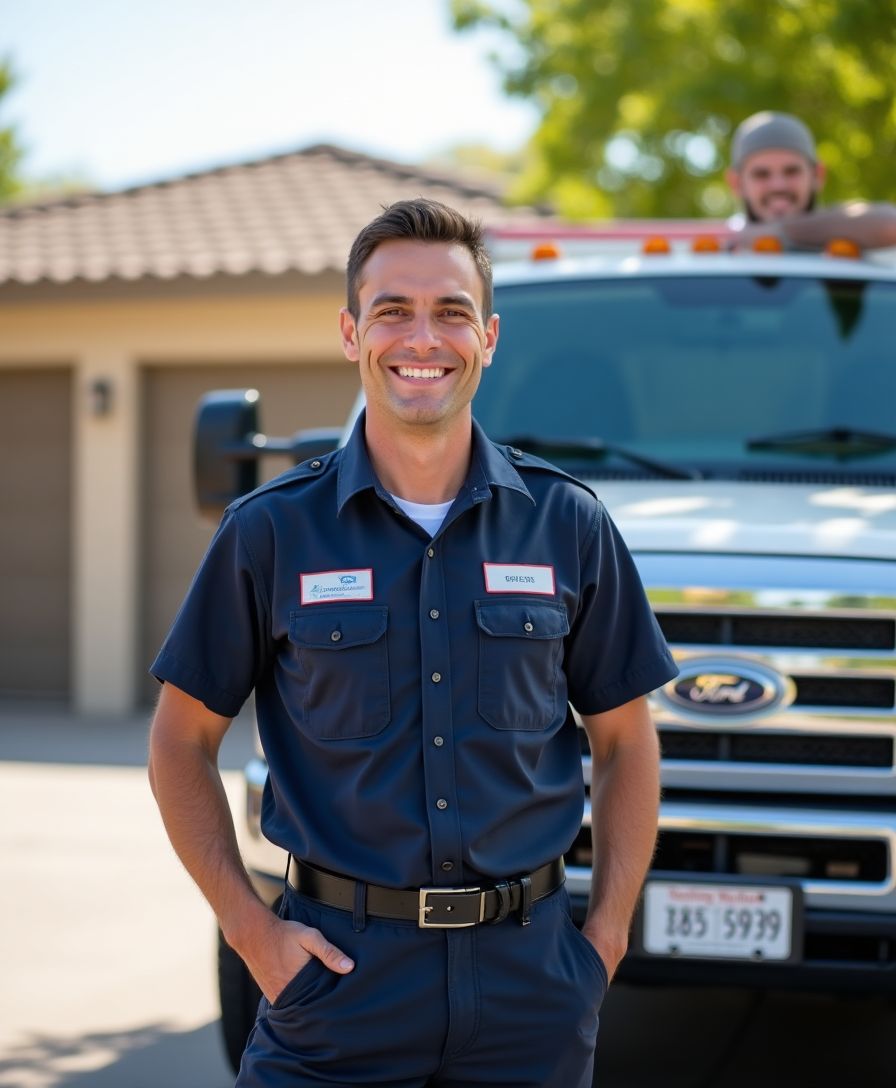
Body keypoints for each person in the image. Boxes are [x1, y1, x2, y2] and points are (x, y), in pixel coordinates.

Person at [147, 197, 678, 1087]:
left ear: (490, 336)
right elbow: (179, 741)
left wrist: (604, 939)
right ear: (352, 332)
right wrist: (253, 934)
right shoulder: (271, 532)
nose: (422, 338)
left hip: (530, 990)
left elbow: (626, 740)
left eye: (451, 313)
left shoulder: (568, 524)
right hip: (337, 986)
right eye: (393, 310)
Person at [726, 110, 896, 250]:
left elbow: (891, 223)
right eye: (761, 174)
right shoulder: (716, 245)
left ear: (817, 176)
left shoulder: (859, 236)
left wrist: (777, 232)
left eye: (792, 171)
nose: (778, 185)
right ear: (736, 183)